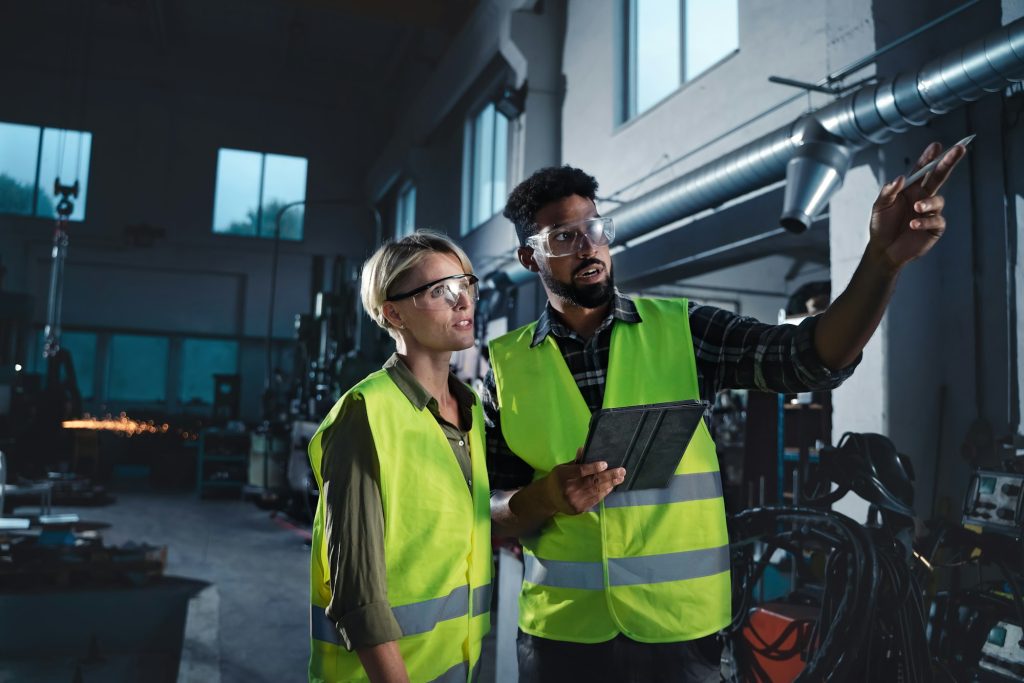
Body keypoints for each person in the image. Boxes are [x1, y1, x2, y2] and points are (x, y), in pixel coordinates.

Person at [484, 142, 966, 682]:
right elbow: (494, 503)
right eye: (564, 238)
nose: (589, 247)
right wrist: (545, 496)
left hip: (681, 633)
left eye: (596, 229)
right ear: (530, 258)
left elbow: (806, 358)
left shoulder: (682, 331)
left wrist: (881, 262)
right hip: (563, 635)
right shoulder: (504, 367)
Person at [308, 230, 492, 683]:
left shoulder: (468, 410)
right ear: (393, 313)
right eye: (439, 291)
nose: (462, 302)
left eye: (465, 285)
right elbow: (357, 597)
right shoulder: (365, 413)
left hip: (456, 666)